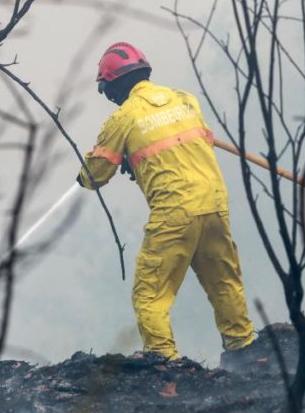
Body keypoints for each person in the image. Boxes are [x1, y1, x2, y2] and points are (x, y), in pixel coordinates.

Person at [76, 42, 256, 365]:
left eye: (107, 92)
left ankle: (163, 361)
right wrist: (135, 156)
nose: (110, 99)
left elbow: (96, 175)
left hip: (175, 211)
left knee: (150, 293)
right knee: (224, 282)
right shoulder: (186, 101)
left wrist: (84, 176)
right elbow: (179, 148)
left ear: (115, 85)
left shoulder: (125, 117)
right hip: (214, 202)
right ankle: (243, 350)